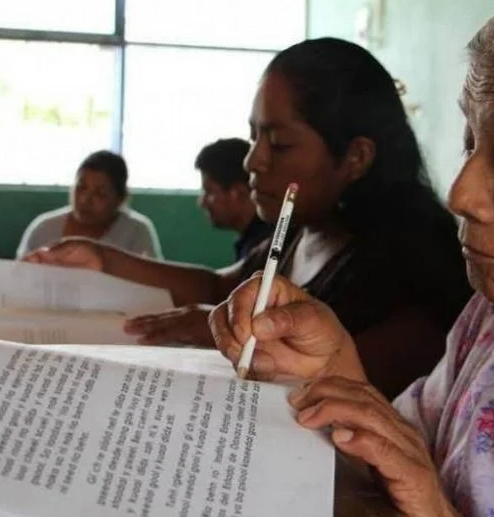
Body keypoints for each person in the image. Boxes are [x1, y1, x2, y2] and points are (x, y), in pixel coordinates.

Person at [208, 1, 494, 517]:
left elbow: (426, 499)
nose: (460, 194)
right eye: (469, 145)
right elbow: (410, 458)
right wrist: (334, 371)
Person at [24, 38, 471, 400]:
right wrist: (105, 260)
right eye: (254, 136)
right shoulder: (307, 227)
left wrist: (227, 338)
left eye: (278, 144)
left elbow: (343, 387)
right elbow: (222, 287)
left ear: (355, 156)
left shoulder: (413, 265)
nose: (253, 161)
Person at [16, 150, 162, 259]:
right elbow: (19, 280)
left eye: (100, 193)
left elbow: (155, 285)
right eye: (81, 187)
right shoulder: (44, 228)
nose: (85, 199)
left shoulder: (136, 232)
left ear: (120, 199)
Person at [195, 138, 273, 261]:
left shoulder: (268, 246)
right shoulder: (251, 240)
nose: (201, 203)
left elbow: (219, 281)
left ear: (238, 193)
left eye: (209, 192)